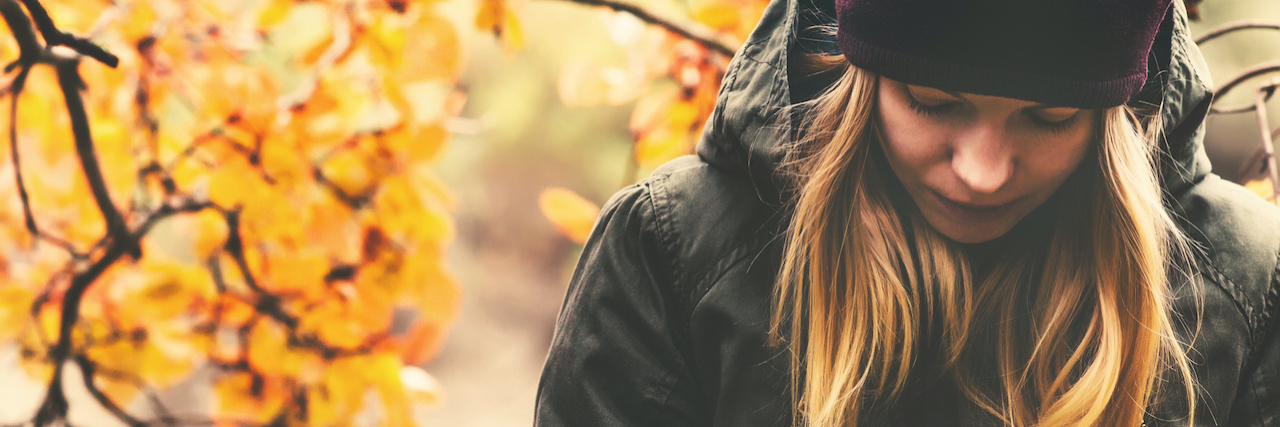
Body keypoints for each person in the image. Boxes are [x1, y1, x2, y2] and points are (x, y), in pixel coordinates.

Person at [534, 0, 1280, 425]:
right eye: (934, 102)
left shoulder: (1249, 291)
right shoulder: (670, 254)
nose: (983, 172)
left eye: (1049, 117)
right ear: (858, 77)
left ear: (1118, 116)